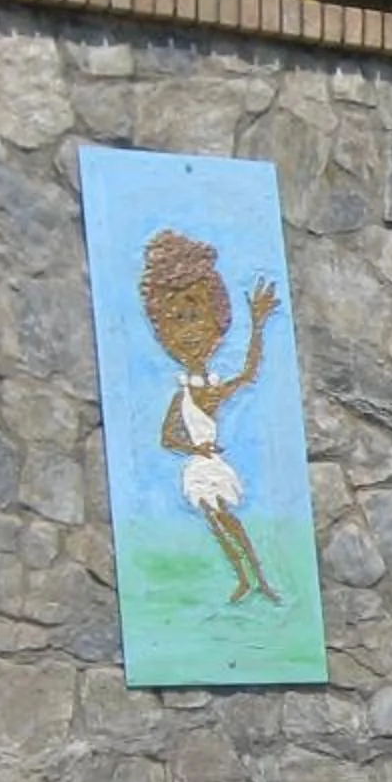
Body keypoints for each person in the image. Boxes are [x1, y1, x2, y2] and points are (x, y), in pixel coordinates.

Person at [138, 228, 280, 604]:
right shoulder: (182, 392)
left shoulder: (212, 389)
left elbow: (249, 373)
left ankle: (257, 578)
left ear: (217, 320)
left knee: (228, 521)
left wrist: (258, 324)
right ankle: (246, 579)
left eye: (196, 315)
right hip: (200, 467)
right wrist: (195, 448)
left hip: (212, 467)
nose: (188, 330)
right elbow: (167, 437)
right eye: (176, 319)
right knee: (217, 525)